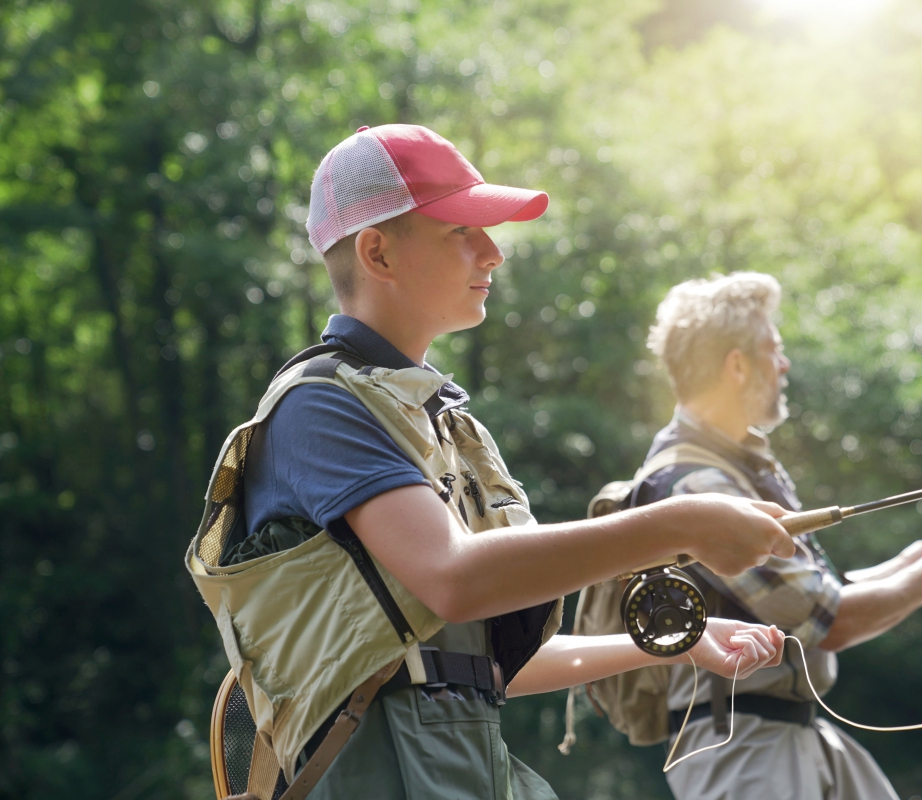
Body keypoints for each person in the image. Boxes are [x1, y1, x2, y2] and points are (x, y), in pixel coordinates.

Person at [186, 125, 793, 800]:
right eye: (461, 231)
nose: (493, 252)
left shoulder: (445, 422)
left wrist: (679, 640)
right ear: (378, 252)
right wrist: (681, 524)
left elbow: (492, 661)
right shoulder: (319, 406)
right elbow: (454, 579)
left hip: (466, 771)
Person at [631, 272, 922, 800]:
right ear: (737, 365)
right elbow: (829, 620)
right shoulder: (696, 482)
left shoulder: (737, 467)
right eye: (773, 349)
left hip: (793, 733)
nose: (784, 364)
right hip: (741, 749)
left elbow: (819, 593)